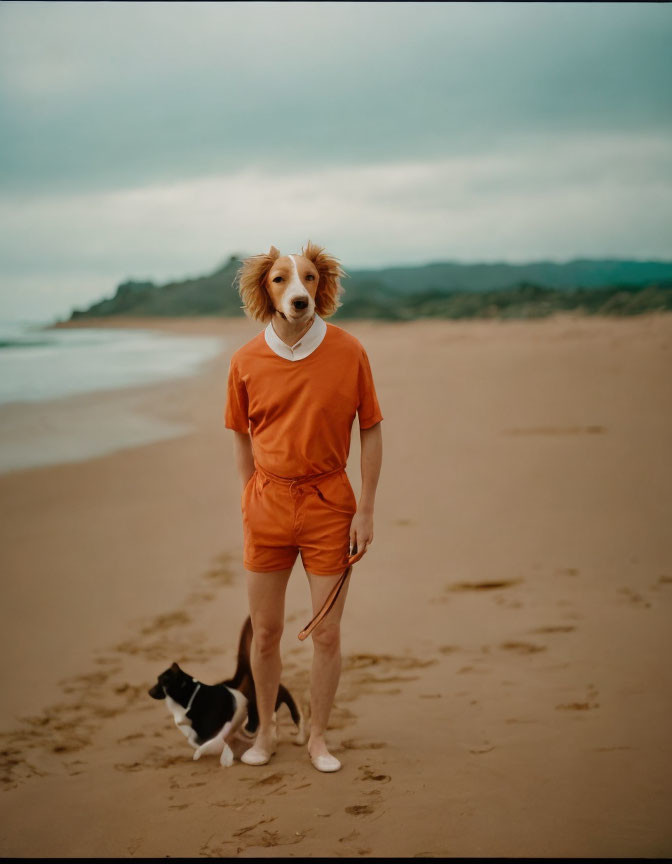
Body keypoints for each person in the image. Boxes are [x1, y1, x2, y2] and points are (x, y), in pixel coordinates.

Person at [224, 242, 383, 773]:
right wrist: (250, 494)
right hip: (267, 506)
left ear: (321, 287)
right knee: (264, 631)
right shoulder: (245, 359)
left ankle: (317, 737)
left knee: (328, 632)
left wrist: (366, 509)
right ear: (265, 291)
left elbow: (371, 429)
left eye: (309, 280)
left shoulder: (349, 351)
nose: (298, 290)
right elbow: (240, 433)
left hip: (329, 504)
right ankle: (266, 731)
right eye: (284, 281)